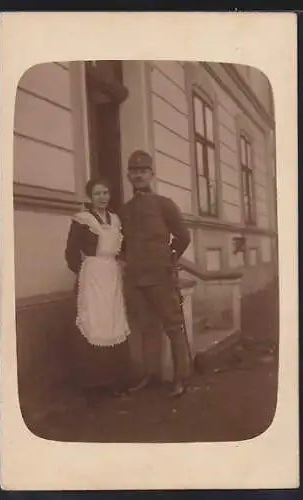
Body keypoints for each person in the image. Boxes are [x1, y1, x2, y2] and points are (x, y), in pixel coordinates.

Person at [118, 150, 192, 398]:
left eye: (143, 171)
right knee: (146, 327)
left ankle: (180, 377)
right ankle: (149, 375)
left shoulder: (164, 204)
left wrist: (169, 259)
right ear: (128, 175)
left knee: (173, 326)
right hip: (136, 279)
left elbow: (183, 236)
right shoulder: (124, 210)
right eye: (134, 171)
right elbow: (123, 244)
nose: (138, 175)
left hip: (160, 277)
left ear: (152, 174)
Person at [65, 178, 134, 398]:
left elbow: (123, 247)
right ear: (89, 197)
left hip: (112, 274)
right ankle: (93, 385)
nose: (102, 197)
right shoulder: (82, 220)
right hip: (92, 274)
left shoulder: (115, 219)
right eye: (97, 194)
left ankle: (117, 381)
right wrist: (85, 271)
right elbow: (71, 251)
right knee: (94, 322)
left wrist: (119, 263)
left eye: (105, 193)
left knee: (113, 321)